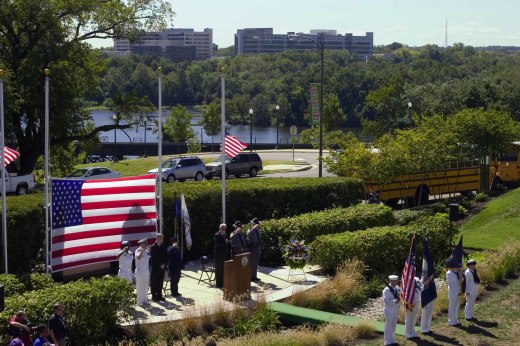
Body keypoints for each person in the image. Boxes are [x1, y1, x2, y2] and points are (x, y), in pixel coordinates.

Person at [383, 275, 401, 346]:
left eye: (396, 281)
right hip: (389, 310)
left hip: (396, 309)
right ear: (391, 281)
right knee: (388, 326)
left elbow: (400, 295)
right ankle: (387, 342)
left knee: (394, 325)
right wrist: (395, 301)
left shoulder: (397, 288)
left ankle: (392, 340)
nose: (396, 282)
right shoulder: (386, 290)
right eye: (394, 281)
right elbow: (386, 301)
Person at [150, 233, 167, 301]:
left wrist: (164, 264)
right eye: (161, 238)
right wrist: (160, 264)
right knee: (154, 282)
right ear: (157, 238)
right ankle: (154, 296)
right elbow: (154, 258)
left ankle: (159, 295)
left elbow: (166, 256)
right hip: (155, 267)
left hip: (162, 268)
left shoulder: (163, 246)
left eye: (162, 238)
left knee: (160, 282)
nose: (162, 239)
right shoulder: (153, 247)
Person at [135, 238, 151, 306]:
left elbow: (149, 257)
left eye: (146, 243)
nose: (146, 244)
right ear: (141, 244)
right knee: (140, 286)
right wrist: (142, 250)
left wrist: (146, 249)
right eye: (145, 243)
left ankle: (145, 299)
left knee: (145, 285)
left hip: (146, 270)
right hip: (140, 270)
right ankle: (139, 301)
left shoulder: (147, 251)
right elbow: (138, 257)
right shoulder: (137, 250)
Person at [214, 223, 229, 288]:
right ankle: (218, 284)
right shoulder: (217, 235)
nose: (223, 230)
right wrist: (225, 243)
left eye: (224, 229)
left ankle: (223, 283)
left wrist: (228, 242)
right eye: (222, 228)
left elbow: (227, 243)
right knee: (218, 270)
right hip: (218, 256)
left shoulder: (226, 235)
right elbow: (218, 245)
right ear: (219, 229)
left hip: (224, 255)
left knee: (224, 270)